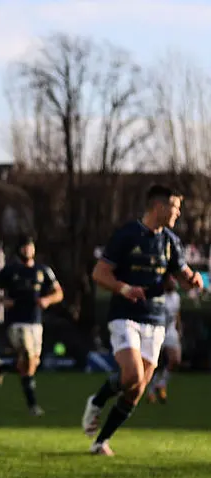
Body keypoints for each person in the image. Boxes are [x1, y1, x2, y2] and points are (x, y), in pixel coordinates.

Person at [82, 184, 203, 456]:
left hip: (156, 320)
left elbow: (183, 274)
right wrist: (124, 288)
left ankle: (101, 441)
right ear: (159, 207)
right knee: (132, 375)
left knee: (136, 390)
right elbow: (99, 273)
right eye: (175, 207)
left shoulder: (171, 241)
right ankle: (97, 401)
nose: (178, 213)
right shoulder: (127, 235)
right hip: (125, 316)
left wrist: (192, 279)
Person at [0, 236, 63, 416]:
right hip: (16, 323)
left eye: (30, 247)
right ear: (19, 250)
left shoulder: (43, 271)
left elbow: (59, 293)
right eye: (24, 247)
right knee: (29, 358)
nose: (27, 250)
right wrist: (2, 300)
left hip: (36, 324)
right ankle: (33, 406)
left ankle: (3, 368)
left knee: (31, 364)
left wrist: (47, 299)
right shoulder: (10, 270)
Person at [147, 277, 183, 404]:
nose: (173, 281)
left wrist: (179, 328)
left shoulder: (176, 297)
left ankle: (161, 384)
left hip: (170, 331)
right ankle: (150, 391)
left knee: (176, 360)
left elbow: (177, 314)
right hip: (156, 330)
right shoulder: (158, 296)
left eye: (174, 279)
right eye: (171, 280)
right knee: (155, 364)